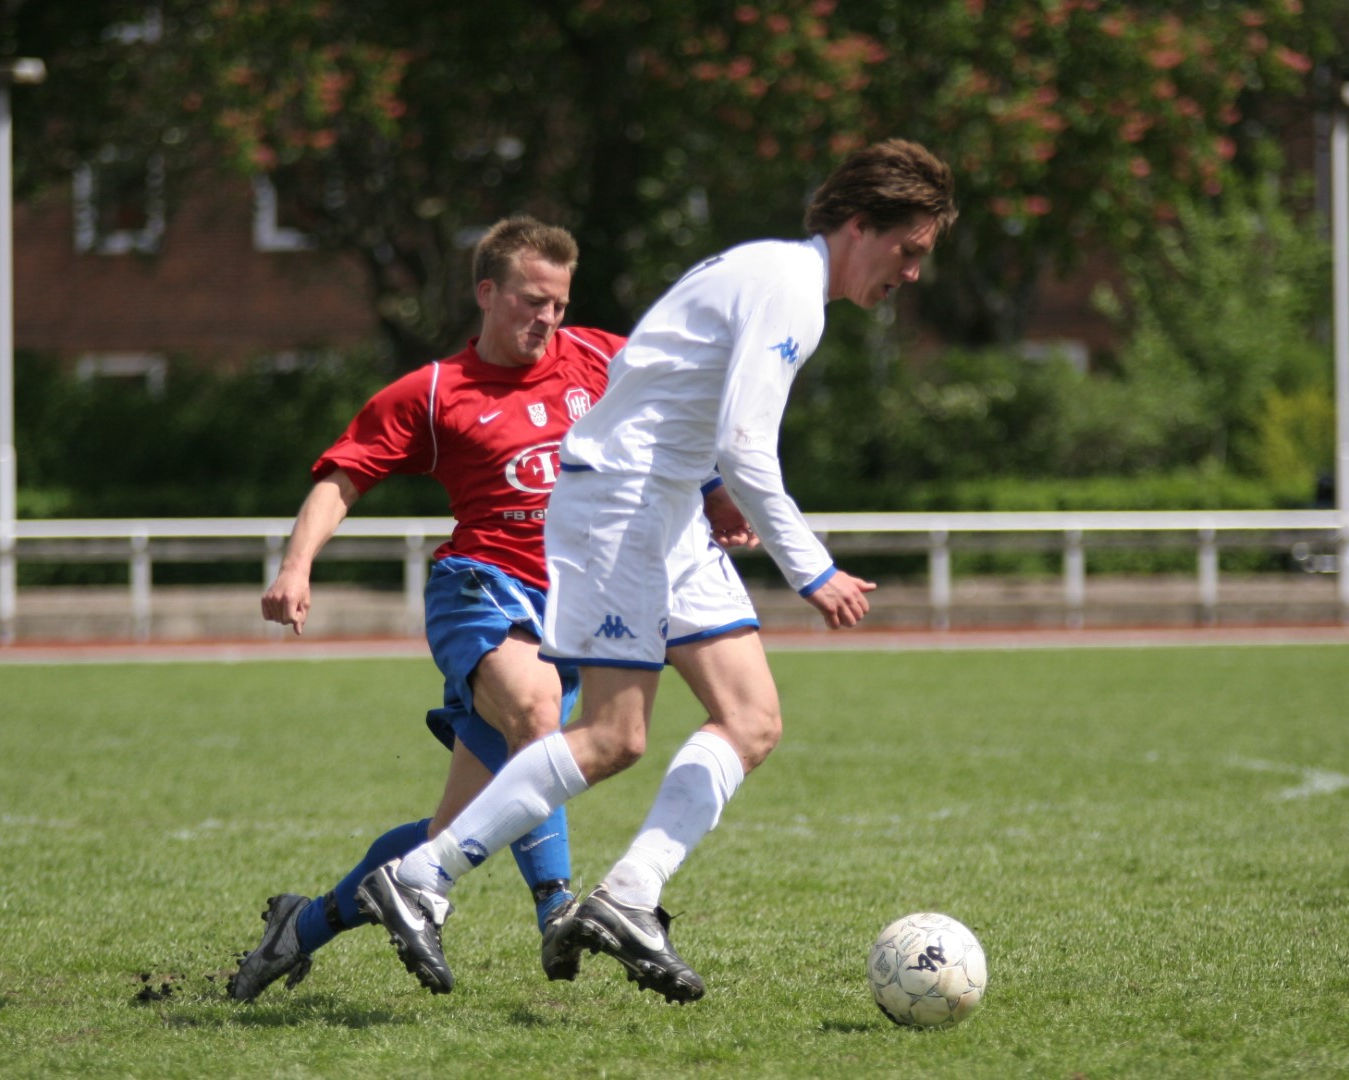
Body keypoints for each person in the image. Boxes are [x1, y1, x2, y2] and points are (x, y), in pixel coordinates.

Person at [356, 139, 957, 1003]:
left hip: (661, 503)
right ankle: (421, 878)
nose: (912, 273)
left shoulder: (775, 273)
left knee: (751, 718)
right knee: (614, 736)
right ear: (861, 225)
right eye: (909, 249)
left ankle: (629, 896)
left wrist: (708, 491)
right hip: (623, 503)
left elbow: (677, 396)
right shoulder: (790, 288)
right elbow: (746, 443)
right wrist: (813, 568)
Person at [228, 216, 621, 1002]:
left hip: (571, 609)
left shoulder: (601, 358)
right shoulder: (436, 391)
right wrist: (296, 566)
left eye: (559, 304)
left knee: (456, 831)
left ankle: (298, 927)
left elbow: (691, 398)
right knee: (538, 715)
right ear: (488, 292)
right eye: (532, 301)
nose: (547, 318)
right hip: (480, 590)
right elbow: (342, 478)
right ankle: (557, 910)